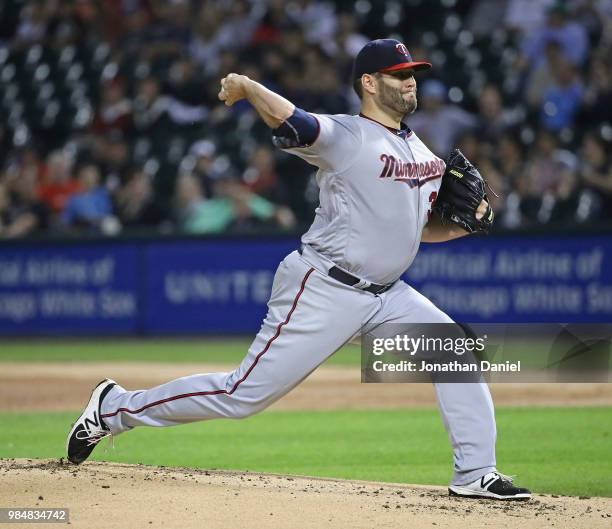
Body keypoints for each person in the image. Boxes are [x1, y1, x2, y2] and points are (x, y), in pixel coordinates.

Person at [66, 39, 531, 501]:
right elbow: (294, 121)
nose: (410, 80)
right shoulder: (347, 137)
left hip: (388, 296)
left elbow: (418, 230)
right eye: (399, 73)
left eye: (412, 73)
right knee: (241, 395)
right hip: (325, 287)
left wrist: (467, 225)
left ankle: (475, 473)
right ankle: (113, 408)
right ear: (369, 83)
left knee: (455, 353)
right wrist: (249, 87)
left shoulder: (425, 154)